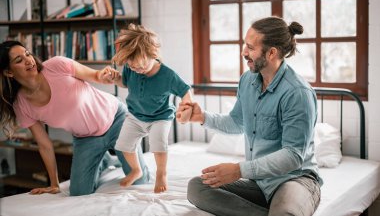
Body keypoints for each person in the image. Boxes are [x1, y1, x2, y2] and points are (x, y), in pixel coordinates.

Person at [180, 16, 322, 216]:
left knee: (285, 212)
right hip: (260, 182)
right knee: (197, 187)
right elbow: (237, 122)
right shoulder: (247, 81)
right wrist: (201, 116)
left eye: (250, 48)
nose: (243, 53)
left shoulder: (297, 93)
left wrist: (239, 170)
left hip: (294, 179)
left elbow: (293, 156)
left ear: (272, 53)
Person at [0, 40, 150, 196]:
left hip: (117, 120)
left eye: (27, 54)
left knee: (139, 182)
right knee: (79, 192)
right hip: (86, 138)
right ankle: (106, 160)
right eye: (19, 60)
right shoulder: (21, 104)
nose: (28, 60)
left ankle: (112, 158)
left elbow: (95, 75)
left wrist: (104, 75)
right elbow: (44, 144)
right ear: (8, 72)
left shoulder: (56, 65)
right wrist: (54, 183)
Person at [106, 23, 193, 193]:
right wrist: (115, 79)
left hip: (160, 117)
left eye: (139, 66)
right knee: (122, 145)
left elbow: (185, 90)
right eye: (131, 67)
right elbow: (124, 83)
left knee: (158, 144)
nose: (136, 70)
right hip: (135, 116)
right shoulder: (132, 69)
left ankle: (161, 173)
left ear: (152, 54)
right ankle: (136, 170)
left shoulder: (167, 75)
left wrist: (187, 105)